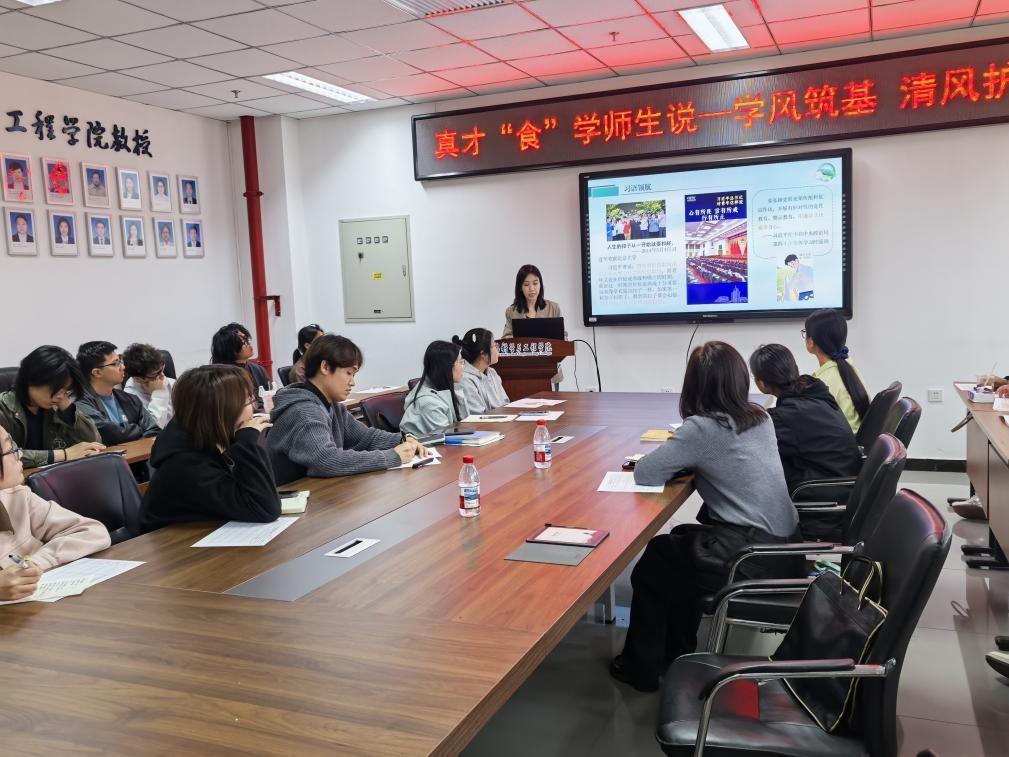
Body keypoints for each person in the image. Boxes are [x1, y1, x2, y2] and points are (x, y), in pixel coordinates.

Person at [610, 341, 799, 692]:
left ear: (694, 384)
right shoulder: (760, 416)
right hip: (787, 547)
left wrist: (685, 458)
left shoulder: (703, 428)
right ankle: (676, 651)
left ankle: (642, 669)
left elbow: (646, 472)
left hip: (751, 557)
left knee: (655, 562)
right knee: (678, 544)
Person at [267, 334, 425, 484]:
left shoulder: (332, 406)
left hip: (318, 491)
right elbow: (327, 460)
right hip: (291, 497)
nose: (352, 383)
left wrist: (403, 439)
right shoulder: (303, 411)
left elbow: (365, 438)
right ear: (325, 367)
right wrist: (391, 456)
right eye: (349, 373)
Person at [139, 365, 279, 532]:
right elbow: (265, 508)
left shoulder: (207, 437)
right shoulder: (185, 462)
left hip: (206, 532)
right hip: (172, 542)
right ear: (222, 410)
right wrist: (247, 443)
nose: (254, 408)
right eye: (248, 401)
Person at [0, 424, 111, 602]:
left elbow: (93, 532)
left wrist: (35, 563)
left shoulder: (17, 497)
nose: (20, 454)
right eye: (11, 449)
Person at [749, 344, 862, 493]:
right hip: (848, 478)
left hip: (831, 489)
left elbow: (755, 445)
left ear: (761, 383)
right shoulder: (816, 391)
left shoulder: (786, 416)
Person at [0, 346, 104, 468]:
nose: (60, 396)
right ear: (31, 379)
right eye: (56, 388)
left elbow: (93, 442)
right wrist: (64, 454)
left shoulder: (56, 407)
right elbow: (5, 456)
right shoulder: (3, 409)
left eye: (66, 389)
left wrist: (68, 409)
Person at [75, 341, 159, 445]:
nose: (123, 367)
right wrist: (138, 429)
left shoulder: (131, 399)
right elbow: (110, 434)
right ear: (97, 373)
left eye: (120, 361)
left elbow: (154, 430)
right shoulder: (79, 402)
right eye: (115, 363)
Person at [803, 309, 869, 433]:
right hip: (857, 440)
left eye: (805, 333)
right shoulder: (851, 368)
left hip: (841, 443)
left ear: (811, 341)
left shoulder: (822, 382)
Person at [502, 264, 563, 385]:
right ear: (520, 287)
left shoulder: (553, 308)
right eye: (526, 284)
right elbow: (506, 339)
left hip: (550, 370)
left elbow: (563, 338)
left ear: (541, 285)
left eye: (535, 283)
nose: (532, 288)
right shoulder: (511, 311)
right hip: (523, 370)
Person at [401, 341, 469, 436]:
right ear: (447, 367)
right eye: (461, 362)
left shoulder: (445, 388)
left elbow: (464, 425)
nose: (463, 367)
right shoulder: (429, 403)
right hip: (429, 445)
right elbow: (446, 438)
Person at [454, 328, 509, 414]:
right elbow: (477, 415)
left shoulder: (492, 372)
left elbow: (505, 403)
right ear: (483, 354)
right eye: (494, 345)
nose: (497, 348)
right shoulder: (465, 379)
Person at [211, 323, 270, 400]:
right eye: (243, 342)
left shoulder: (258, 369)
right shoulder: (222, 377)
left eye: (247, 340)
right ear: (231, 349)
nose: (249, 344)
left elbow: (270, 394)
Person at [122, 343, 174, 429]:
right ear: (138, 379)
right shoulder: (130, 397)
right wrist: (159, 394)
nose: (162, 375)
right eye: (156, 373)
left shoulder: (171, 383)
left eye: (162, 369)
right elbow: (154, 429)